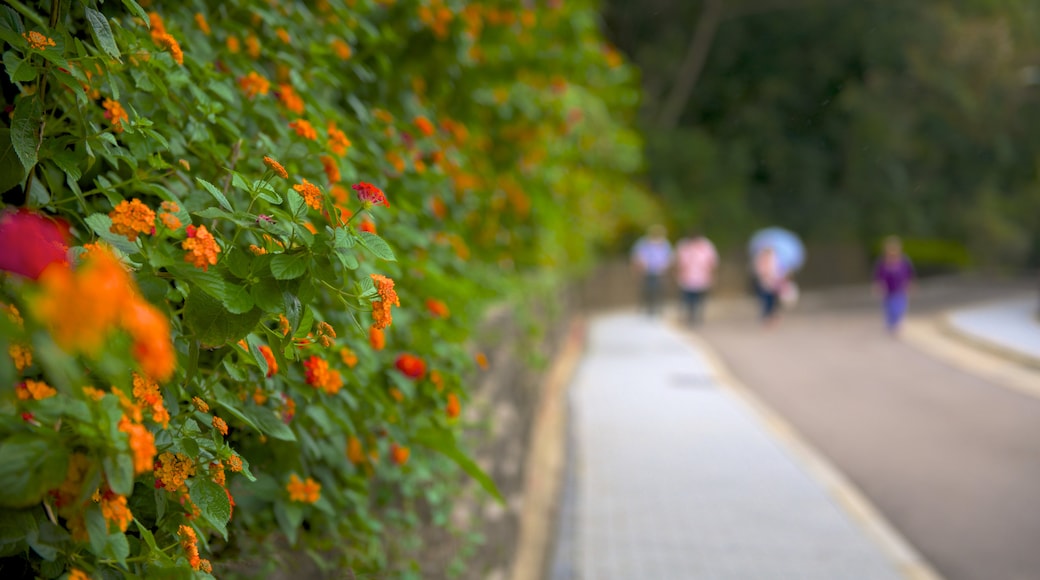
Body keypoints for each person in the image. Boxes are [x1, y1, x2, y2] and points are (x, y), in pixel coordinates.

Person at [675, 230, 718, 326]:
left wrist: (711, 273)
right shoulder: (685, 246)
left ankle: (698, 317)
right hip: (688, 277)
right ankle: (690, 316)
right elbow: (680, 262)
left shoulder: (706, 246)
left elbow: (711, 261)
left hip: (702, 277)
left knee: (700, 298)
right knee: (689, 298)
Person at [874, 236, 915, 334]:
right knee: (889, 308)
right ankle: (891, 324)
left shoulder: (904, 261)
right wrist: (878, 285)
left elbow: (910, 273)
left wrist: (910, 284)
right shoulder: (883, 262)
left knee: (899, 307)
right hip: (888, 290)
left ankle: (897, 324)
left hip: (900, 289)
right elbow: (878, 275)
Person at [631, 224, 673, 316]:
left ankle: (658, 307)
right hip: (647, 271)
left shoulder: (665, 244)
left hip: (660, 271)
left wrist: (665, 266)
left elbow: (669, 257)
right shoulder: (643, 242)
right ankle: (648, 308)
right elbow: (637, 255)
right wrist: (640, 265)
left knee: (660, 290)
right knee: (647, 290)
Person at [753, 246, 783, 325]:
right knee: (766, 301)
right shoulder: (761, 261)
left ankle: (771, 317)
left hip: (773, 284)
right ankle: (767, 317)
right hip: (764, 283)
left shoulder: (774, 261)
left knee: (772, 301)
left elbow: (778, 271)